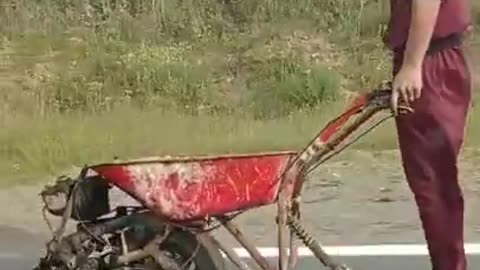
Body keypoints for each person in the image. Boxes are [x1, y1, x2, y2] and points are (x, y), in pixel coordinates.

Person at [386, 0, 473, 269]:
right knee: (436, 182)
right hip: (437, 58)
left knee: (433, 184)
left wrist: (412, 65)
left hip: (429, 62)